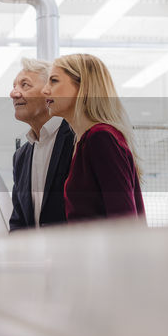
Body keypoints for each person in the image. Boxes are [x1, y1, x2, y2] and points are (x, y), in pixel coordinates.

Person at [41, 53, 145, 223]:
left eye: (54, 80)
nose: (44, 90)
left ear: (83, 86)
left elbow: (124, 221)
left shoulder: (101, 138)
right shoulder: (85, 141)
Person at [8, 59, 75, 231]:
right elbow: (19, 221)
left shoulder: (77, 140)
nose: (14, 94)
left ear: (49, 92)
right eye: (14, 86)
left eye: (25, 85)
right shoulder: (21, 156)